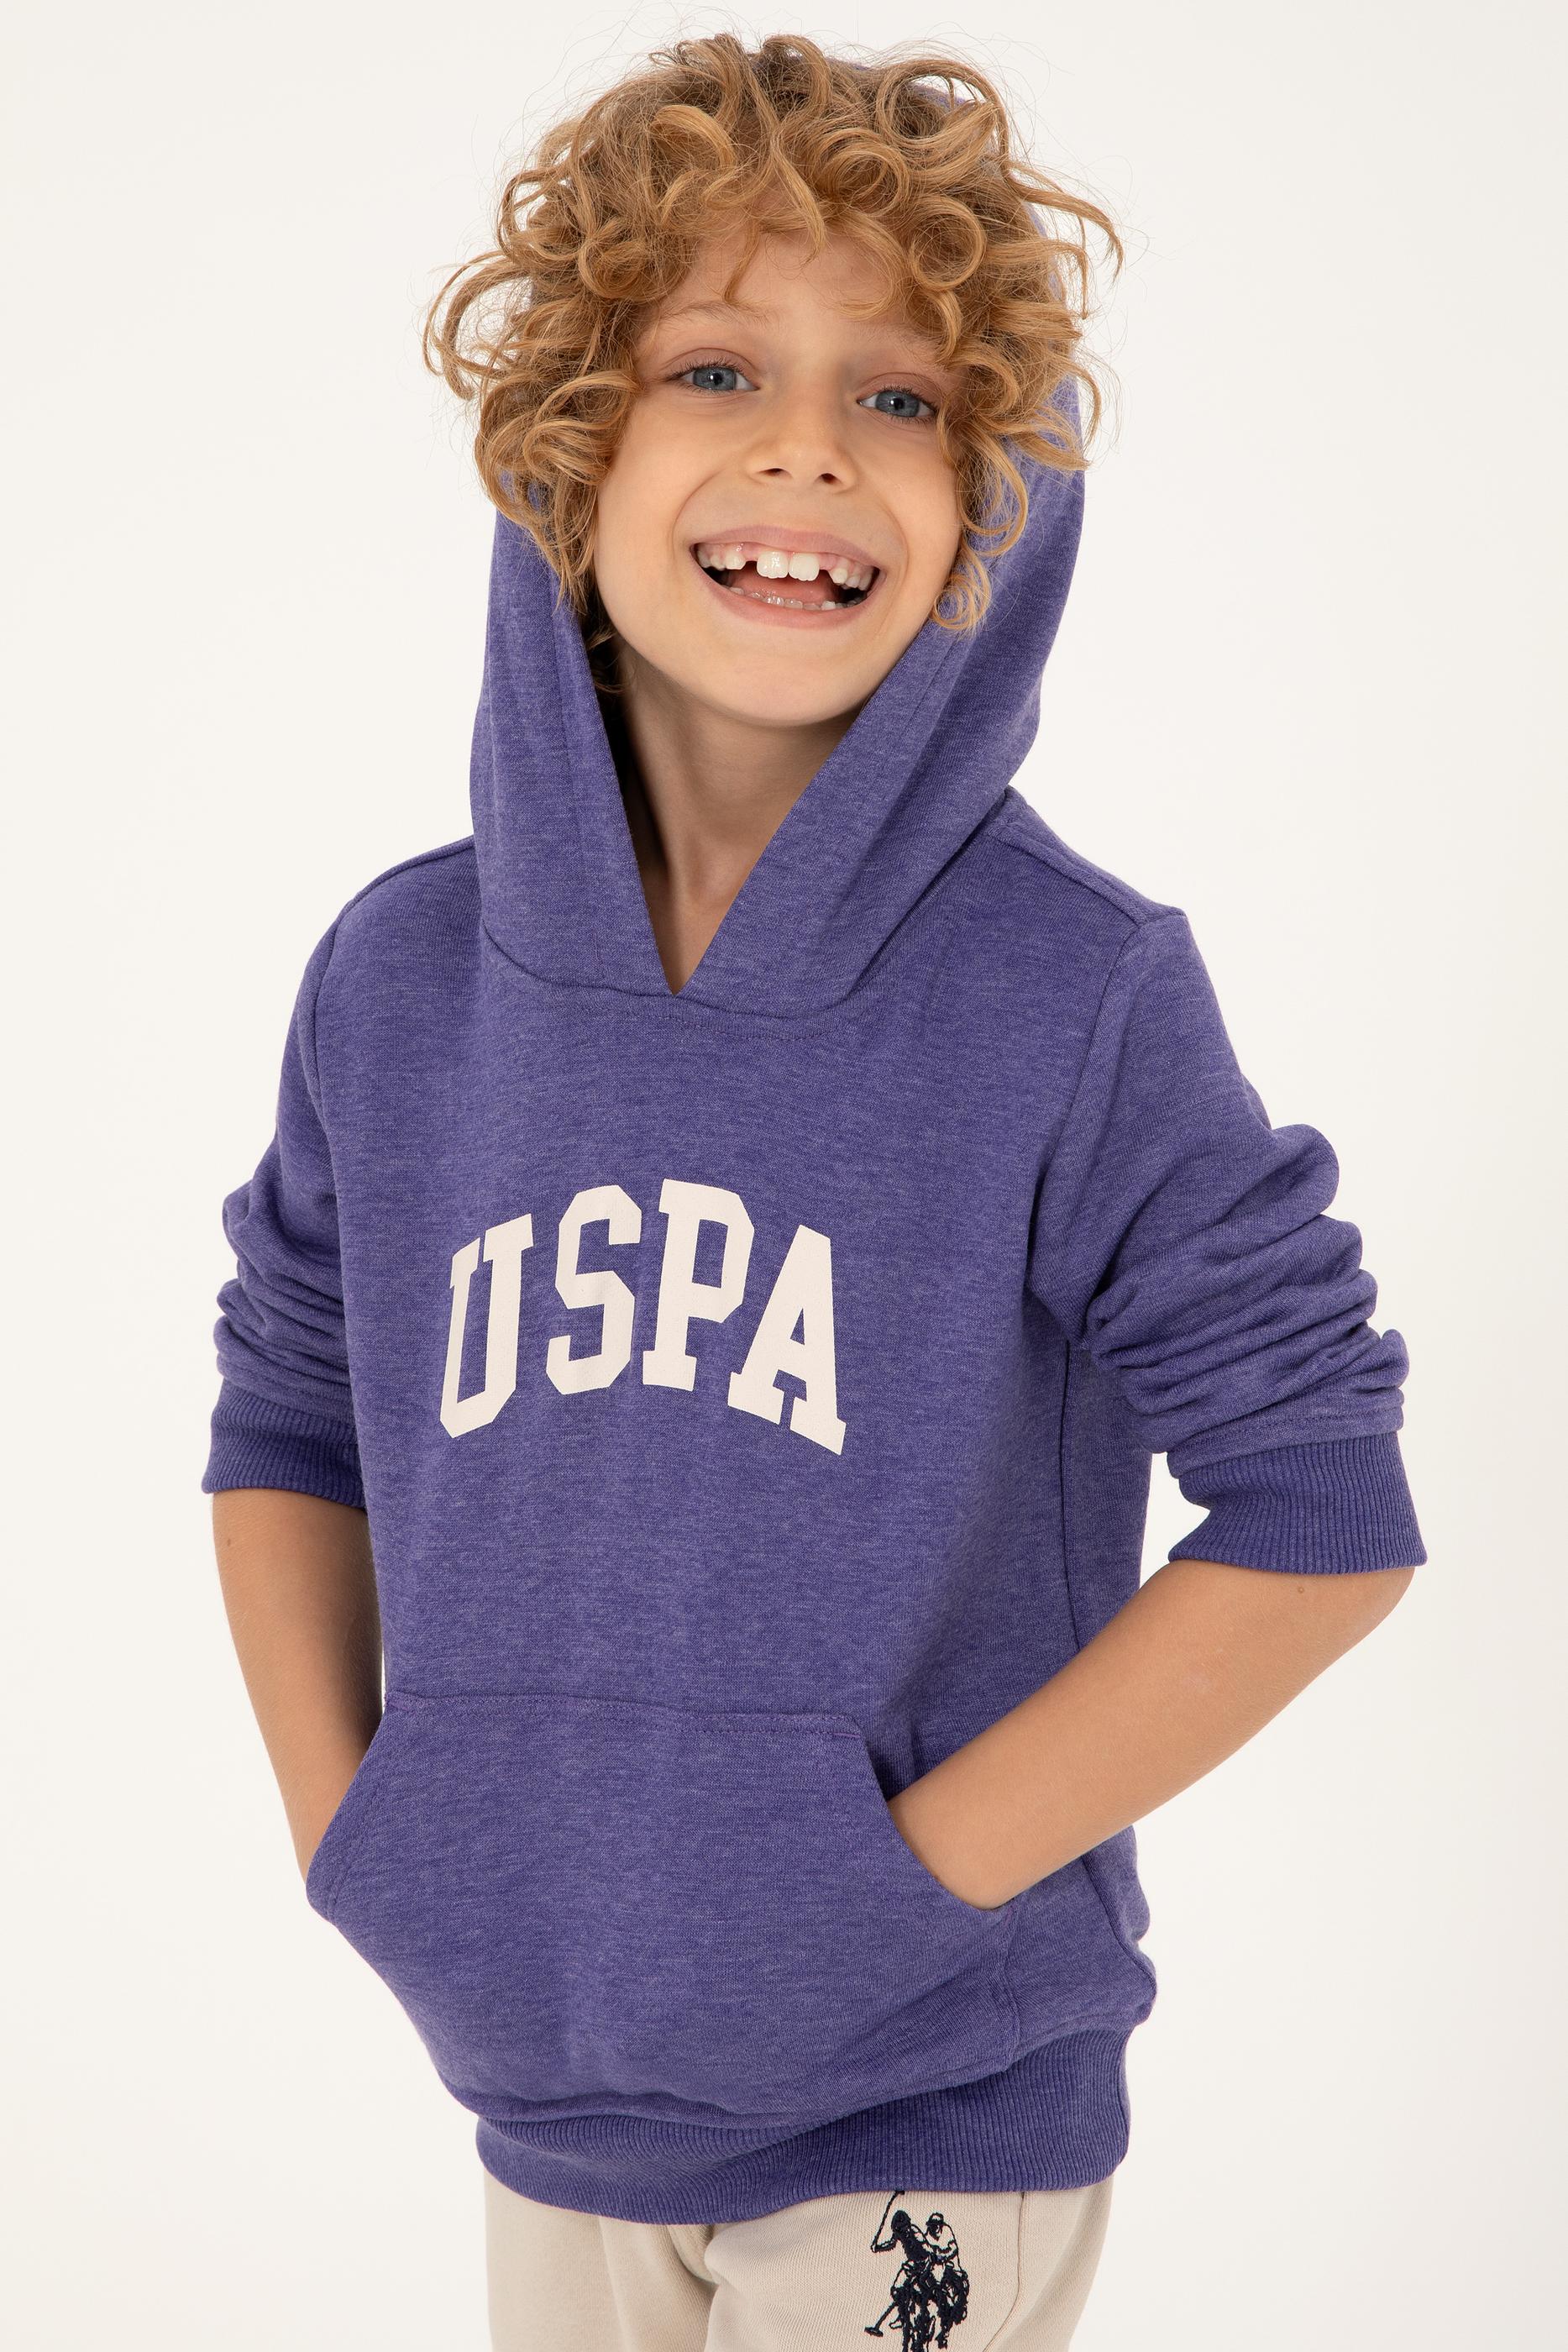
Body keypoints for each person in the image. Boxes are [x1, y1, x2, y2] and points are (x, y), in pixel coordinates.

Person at [201, 32, 1427, 2350]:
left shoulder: (1065, 990)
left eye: (900, 397)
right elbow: (286, 1407)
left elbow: (1320, 1511)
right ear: (566, 452)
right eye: (715, 368)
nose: (807, 448)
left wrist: (885, 1893)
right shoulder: (399, 981)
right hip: (541, 2102)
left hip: (920, 2111)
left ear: (994, 495)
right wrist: (363, 1843)